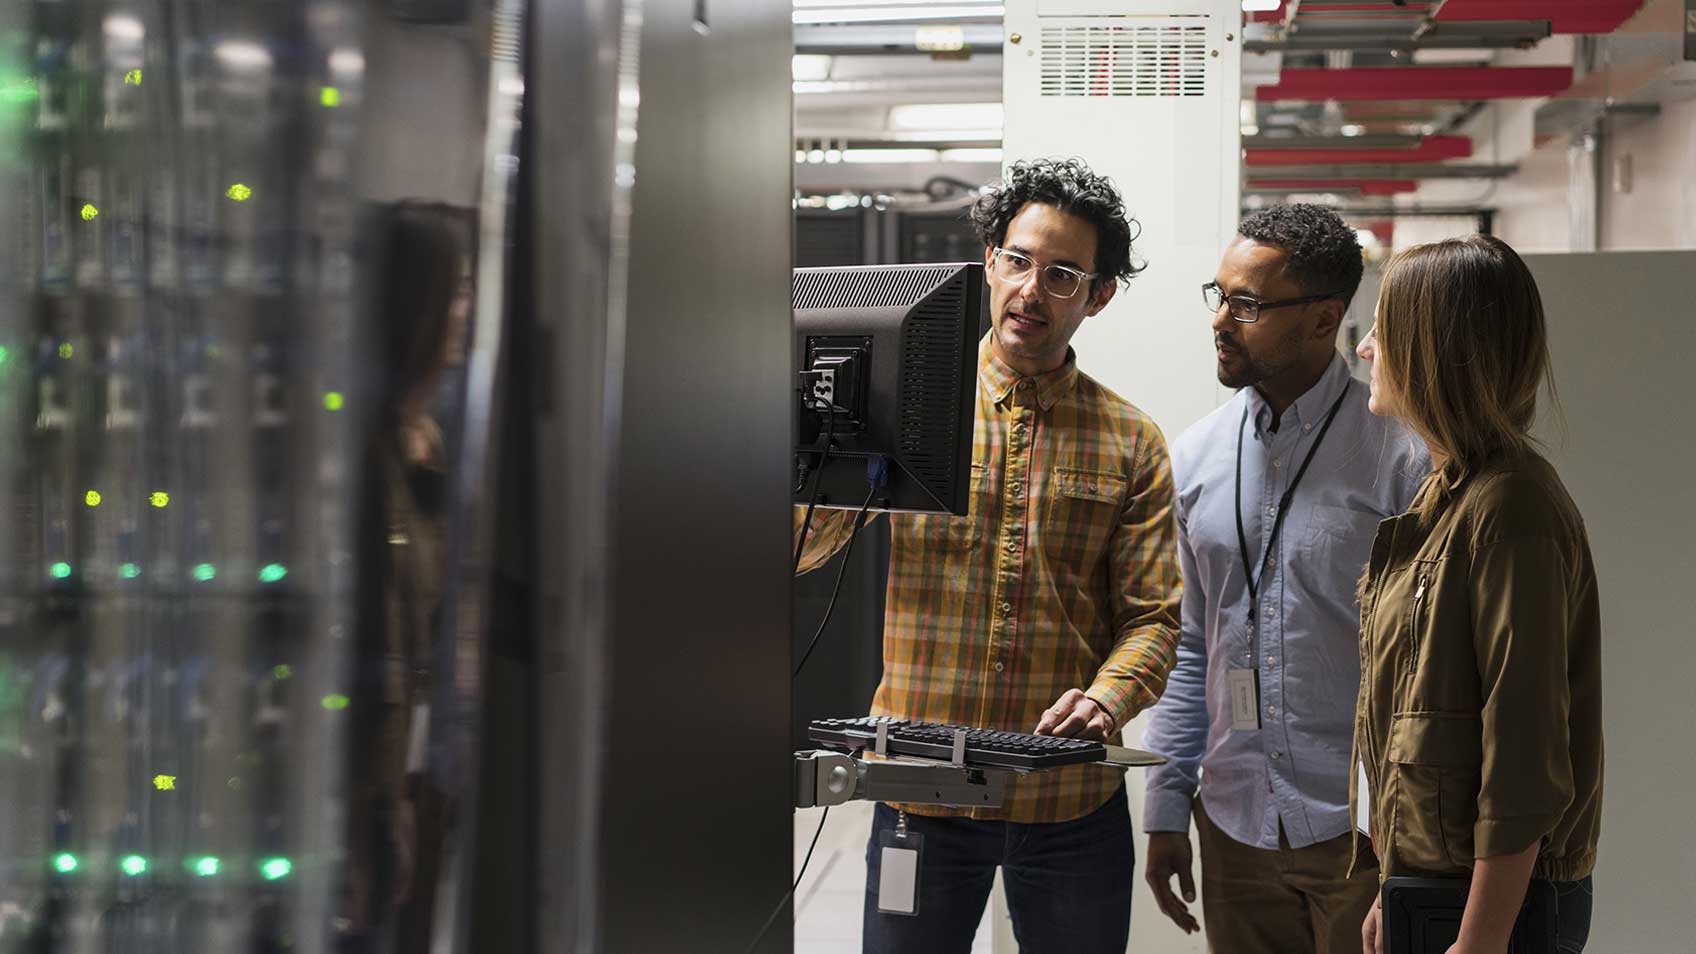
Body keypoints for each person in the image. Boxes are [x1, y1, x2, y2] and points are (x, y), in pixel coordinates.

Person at [796, 157, 1181, 953]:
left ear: (1099, 296)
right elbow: (804, 553)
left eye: (1064, 275)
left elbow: (1154, 618)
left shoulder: (1132, 440)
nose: (1031, 291)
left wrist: (1109, 698)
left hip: (1067, 802)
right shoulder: (907, 399)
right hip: (918, 787)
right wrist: (815, 451)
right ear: (988, 264)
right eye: (1017, 261)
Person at [1140, 204, 1428, 953]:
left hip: (1361, 829)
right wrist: (1167, 805)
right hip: (1234, 825)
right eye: (1220, 295)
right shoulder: (1196, 458)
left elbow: (1429, 664)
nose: (1221, 321)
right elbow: (1193, 644)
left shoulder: (1402, 458)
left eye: (1249, 304)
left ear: (1323, 317)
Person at [1353, 234, 1602, 954]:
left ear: (1432, 349)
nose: (1367, 348)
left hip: (1492, 909)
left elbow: (1524, 757)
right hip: (1437, 889)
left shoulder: (1510, 509)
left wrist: (1480, 940)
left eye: (1383, 329)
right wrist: (1390, 884)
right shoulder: (1452, 499)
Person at [343, 200, 474, 952]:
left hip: (409, 780)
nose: (465, 312)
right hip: (365, 797)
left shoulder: (420, 444)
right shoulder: (360, 460)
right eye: (453, 293)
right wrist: (369, 805)